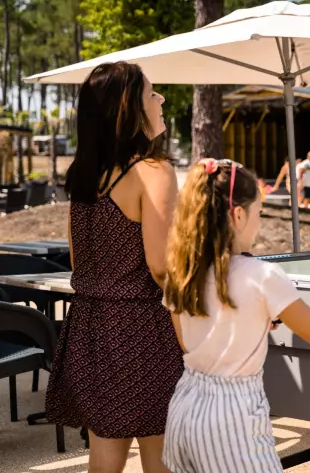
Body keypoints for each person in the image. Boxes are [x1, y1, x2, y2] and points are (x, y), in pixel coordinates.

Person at [161, 158, 310, 472]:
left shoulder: (182, 272)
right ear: (238, 215)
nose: (259, 223)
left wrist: (253, 323)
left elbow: (189, 342)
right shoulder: (261, 275)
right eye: (259, 213)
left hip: (185, 406)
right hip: (232, 418)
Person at [46, 61, 183, 472]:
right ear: (129, 110)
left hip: (89, 325)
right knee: (162, 455)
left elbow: (78, 259)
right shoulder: (153, 171)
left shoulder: (86, 175)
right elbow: (161, 268)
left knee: (105, 455)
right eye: (152, 93)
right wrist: (192, 337)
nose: (161, 99)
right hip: (142, 329)